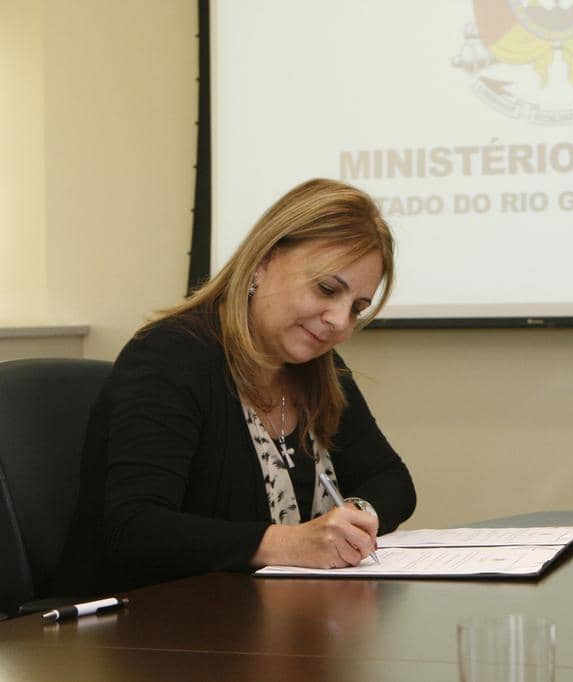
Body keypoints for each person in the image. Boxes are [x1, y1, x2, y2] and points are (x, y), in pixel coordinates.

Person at [57, 179, 416, 595]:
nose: (340, 321)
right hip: (139, 631)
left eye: (357, 308)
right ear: (262, 262)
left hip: (268, 625)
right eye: (327, 289)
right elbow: (135, 528)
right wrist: (292, 544)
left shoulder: (321, 369)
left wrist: (355, 515)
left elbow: (392, 478)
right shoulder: (170, 356)